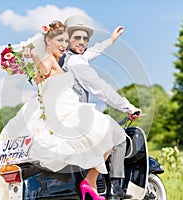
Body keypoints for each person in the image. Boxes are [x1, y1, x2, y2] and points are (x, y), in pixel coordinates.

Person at [0, 20, 130, 200]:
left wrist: (111, 39)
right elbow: (43, 67)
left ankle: (90, 183)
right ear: (48, 41)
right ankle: (91, 182)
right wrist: (35, 58)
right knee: (111, 132)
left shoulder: (61, 60)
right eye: (60, 41)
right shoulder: (48, 62)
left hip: (60, 108)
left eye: (65, 41)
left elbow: (91, 53)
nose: (63, 45)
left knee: (107, 134)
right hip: (63, 111)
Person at [60, 15, 140, 199]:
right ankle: (115, 189)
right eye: (77, 38)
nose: (82, 42)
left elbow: (91, 52)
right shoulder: (76, 62)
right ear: (68, 39)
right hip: (76, 116)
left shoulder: (66, 58)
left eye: (85, 38)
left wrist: (111, 40)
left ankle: (97, 182)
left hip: (61, 115)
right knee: (117, 137)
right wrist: (128, 107)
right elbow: (101, 88)